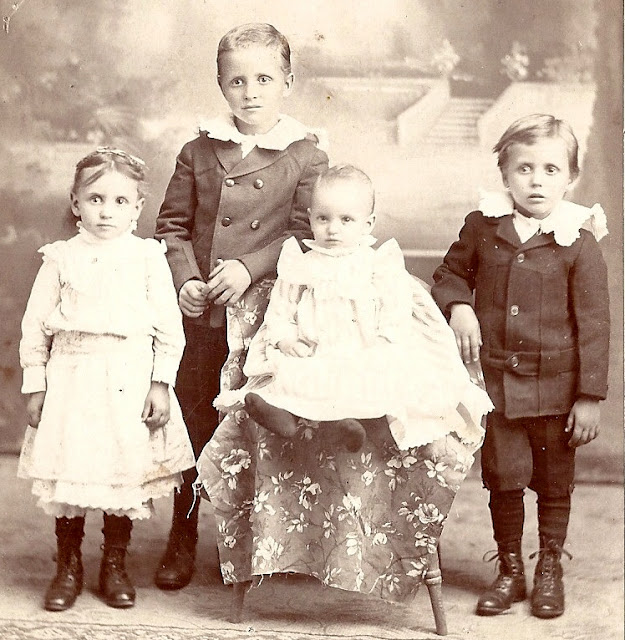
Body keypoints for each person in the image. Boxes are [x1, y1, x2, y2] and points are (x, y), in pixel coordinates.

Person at [153, 22, 329, 590]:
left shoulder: (306, 155)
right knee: (195, 420)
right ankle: (183, 534)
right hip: (206, 314)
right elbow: (172, 227)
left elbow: (307, 233)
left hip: (267, 316)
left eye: (264, 79)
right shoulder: (198, 150)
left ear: (287, 82)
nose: (250, 92)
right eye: (237, 81)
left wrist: (250, 266)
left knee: (260, 426)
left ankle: (261, 544)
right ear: (221, 85)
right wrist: (186, 278)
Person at [431, 114, 610, 619]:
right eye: (524, 168)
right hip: (498, 388)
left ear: (570, 177)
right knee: (504, 478)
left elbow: (595, 324)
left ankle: (549, 566)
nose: (536, 181)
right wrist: (459, 305)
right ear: (505, 174)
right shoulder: (482, 226)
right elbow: (448, 274)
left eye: (551, 169)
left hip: (557, 390)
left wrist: (589, 397)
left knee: (554, 482)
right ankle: (509, 568)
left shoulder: (577, 240)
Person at [17, 148, 195, 612]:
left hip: (128, 380)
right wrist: (36, 384)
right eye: (95, 199)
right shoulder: (61, 258)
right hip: (73, 379)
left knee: (121, 474)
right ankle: (68, 564)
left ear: (137, 207)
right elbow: (35, 326)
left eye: (120, 201)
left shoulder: (147, 257)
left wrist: (160, 383)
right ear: (75, 202)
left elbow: (168, 328)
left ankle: (114, 563)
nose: (106, 211)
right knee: (72, 471)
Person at [215, 165, 493, 454]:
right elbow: (281, 308)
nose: (333, 229)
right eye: (323, 218)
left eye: (346, 220)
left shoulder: (375, 264)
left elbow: (395, 305)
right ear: (310, 218)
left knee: (367, 377)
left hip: (362, 347)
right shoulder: (300, 264)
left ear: (368, 223)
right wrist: (286, 339)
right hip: (313, 348)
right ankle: (285, 417)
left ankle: (345, 424)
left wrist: (384, 340)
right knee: (293, 371)